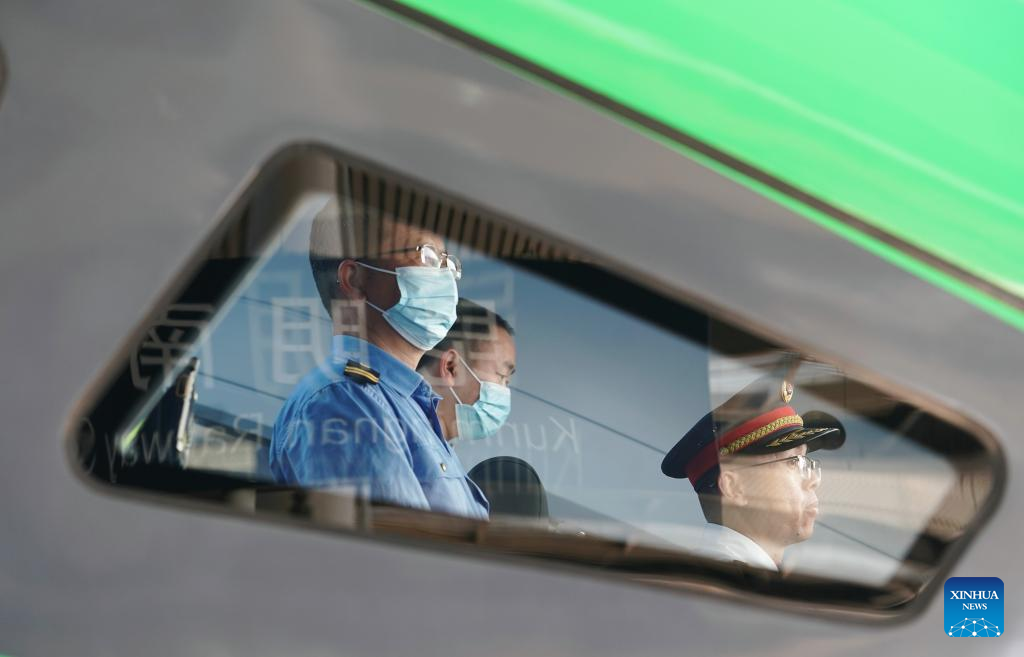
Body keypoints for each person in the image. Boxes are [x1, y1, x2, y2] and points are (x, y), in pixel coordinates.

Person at [269, 203, 489, 520]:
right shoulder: (343, 404)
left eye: (446, 263)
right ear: (355, 279)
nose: (445, 278)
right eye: (427, 257)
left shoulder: (407, 405)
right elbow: (404, 549)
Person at [661, 374, 845, 571]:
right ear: (734, 487)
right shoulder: (720, 581)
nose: (813, 480)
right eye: (793, 462)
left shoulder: (738, 578)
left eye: (806, 462)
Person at [416, 298, 516, 442]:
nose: (504, 393)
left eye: (507, 382)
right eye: (502, 375)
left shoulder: (437, 448)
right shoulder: (397, 435)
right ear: (451, 367)